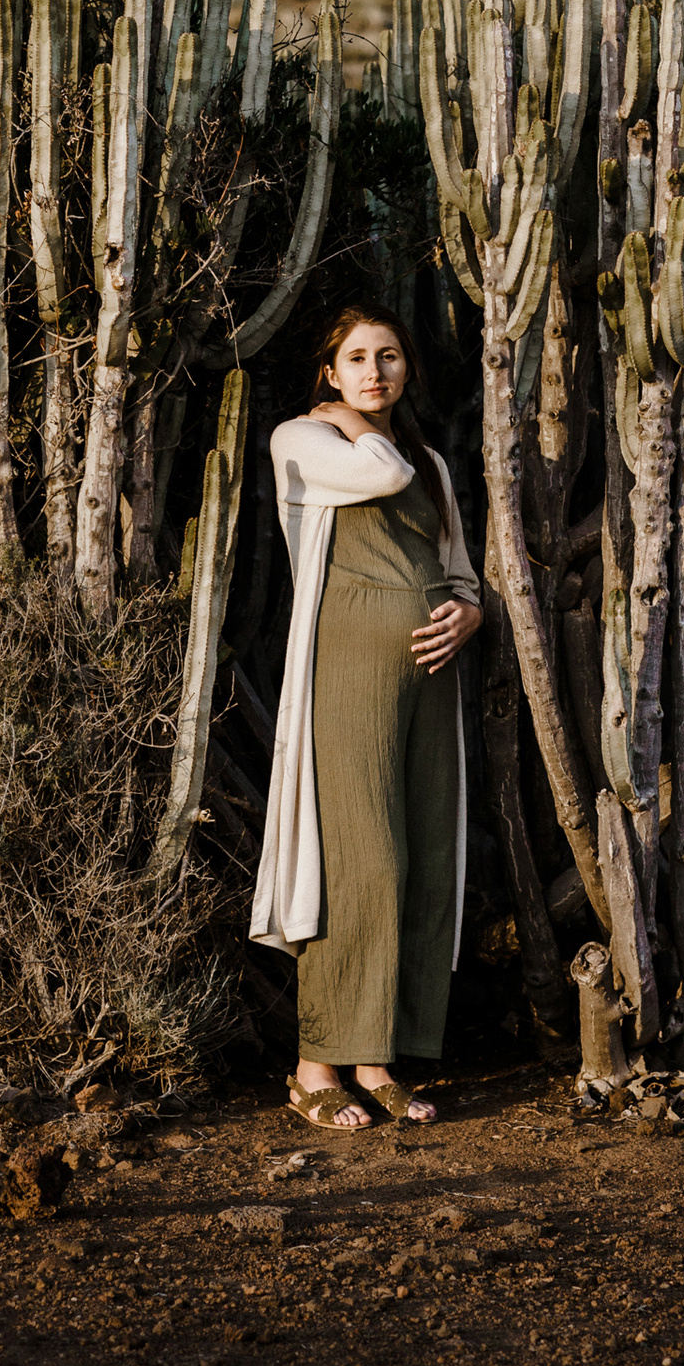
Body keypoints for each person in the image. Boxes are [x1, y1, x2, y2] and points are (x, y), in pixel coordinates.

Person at [250, 306, 483, 1131]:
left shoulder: (432, 461)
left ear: (407, 368)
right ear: (330, 372)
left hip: (431, 681)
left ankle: (377, 1059)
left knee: (424, 859)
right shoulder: (303, 439)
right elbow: (378, 476)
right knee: (361, 863)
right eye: (356, 359)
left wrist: (469, 612)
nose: (374, 372)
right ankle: (315, 1067)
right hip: (346, 672)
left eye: (388, 356)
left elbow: (459, 569)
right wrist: (349, 421)